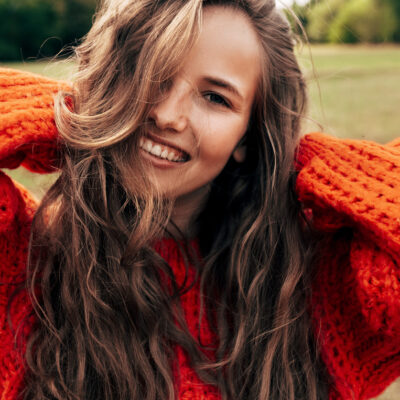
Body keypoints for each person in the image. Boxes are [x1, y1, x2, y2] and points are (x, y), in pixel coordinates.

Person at [0, 0, 399, 399]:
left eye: (215, 98)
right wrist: (65, 117)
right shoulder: (23, 262)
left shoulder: (313, 297)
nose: (168, 116)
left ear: (249, 134)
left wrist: (325, 169)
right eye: (151, 73)